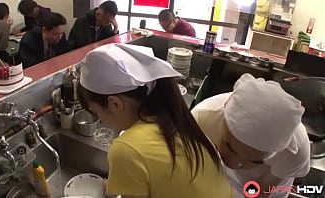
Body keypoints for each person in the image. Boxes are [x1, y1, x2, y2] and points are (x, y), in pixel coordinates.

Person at [78, 43, 232, 198]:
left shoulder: (126, 150)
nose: (101, 119)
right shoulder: (175, 119)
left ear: (115, 104)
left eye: (96, 111)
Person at [191, 73, 310, 198]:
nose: (233, 164)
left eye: (255, 161)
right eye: (230, 148)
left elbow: (258, 191)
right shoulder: (201, 119)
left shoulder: (295, 151)